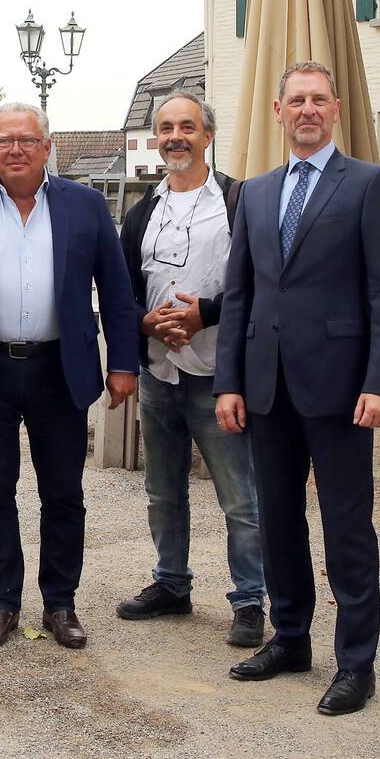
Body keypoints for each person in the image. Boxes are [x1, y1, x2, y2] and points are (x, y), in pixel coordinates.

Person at [0, 102, 140, 649]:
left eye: (26, 140)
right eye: (4, 141)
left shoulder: (84, 206)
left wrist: (124, 363)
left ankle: (61, 603)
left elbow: (117, 289)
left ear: (46, 146)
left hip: (60, 369)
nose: (15, 149)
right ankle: (3, 601)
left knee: (63, 493)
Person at [215, 62, 380, 715]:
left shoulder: (369, 185)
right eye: (295, 99)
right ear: (277, 110)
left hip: (342, 387)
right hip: (266, 387)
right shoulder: (256, 194)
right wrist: (230, 381)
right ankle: (290, 635)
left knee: (348, 527)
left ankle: (357, 663)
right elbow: (239, 295)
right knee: (277, 521)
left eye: (317, 99)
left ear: (336, 108)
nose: (306, 109)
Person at [115, 92, 267, 648]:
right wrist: (147, 322)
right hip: (160, 372)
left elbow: (256, 286)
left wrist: (205, 315)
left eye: (187, 126)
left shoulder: (237, 202)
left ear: (207, 135)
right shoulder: (141, 212)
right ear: (156, 139)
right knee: (162, 491)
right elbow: (121, 289)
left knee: (240, 499)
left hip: (218, 376)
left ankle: (250, 599)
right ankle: (172, 583)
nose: (176, 136)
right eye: (165, 128)